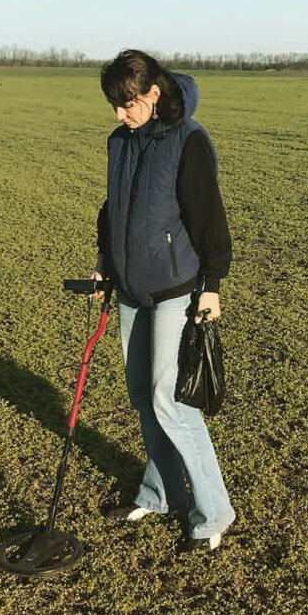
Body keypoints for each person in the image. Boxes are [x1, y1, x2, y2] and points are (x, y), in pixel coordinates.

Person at [91, 49, 236, 552]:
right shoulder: (121, 141)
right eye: (114, 104)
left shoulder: (187, 140)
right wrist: (106, 260)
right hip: (132, 288)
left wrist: (212, 284)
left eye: (127, 103)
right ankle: (161, 493)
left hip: (178, 289)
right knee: (141, 396)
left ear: (153, 94)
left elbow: (207, 216)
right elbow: (114, 207)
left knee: (169, 400)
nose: (119, 114)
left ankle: (213, 512)